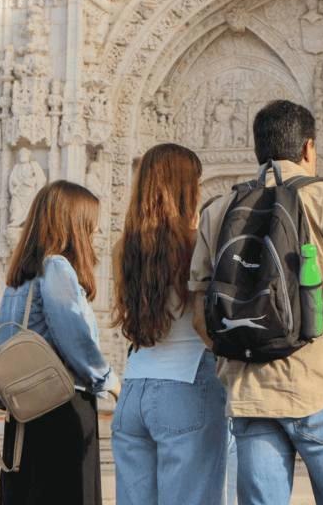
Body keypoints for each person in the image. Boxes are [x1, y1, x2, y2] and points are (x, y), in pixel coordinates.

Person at [190, 99, 323, 505]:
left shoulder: (218, 210)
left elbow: (200, 320)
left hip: (251, 393)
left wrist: (245, 343)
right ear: (308, 148)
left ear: (257, 150)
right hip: (321, 385)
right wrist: (322, 329)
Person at [110, 143, 229, 505]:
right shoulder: (197, 244)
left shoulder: (124, 248)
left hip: (134, 389)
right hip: (187, 383)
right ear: (185, 187)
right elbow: (204, 319)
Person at [0, 180, 119, 505]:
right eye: (90, 227)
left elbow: (4, 341)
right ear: (73, 225)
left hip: (24, 411)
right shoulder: (58, 268)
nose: (95, 237)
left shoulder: (18, 278)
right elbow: (73, 335)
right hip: (61, 407)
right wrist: (107, 380)